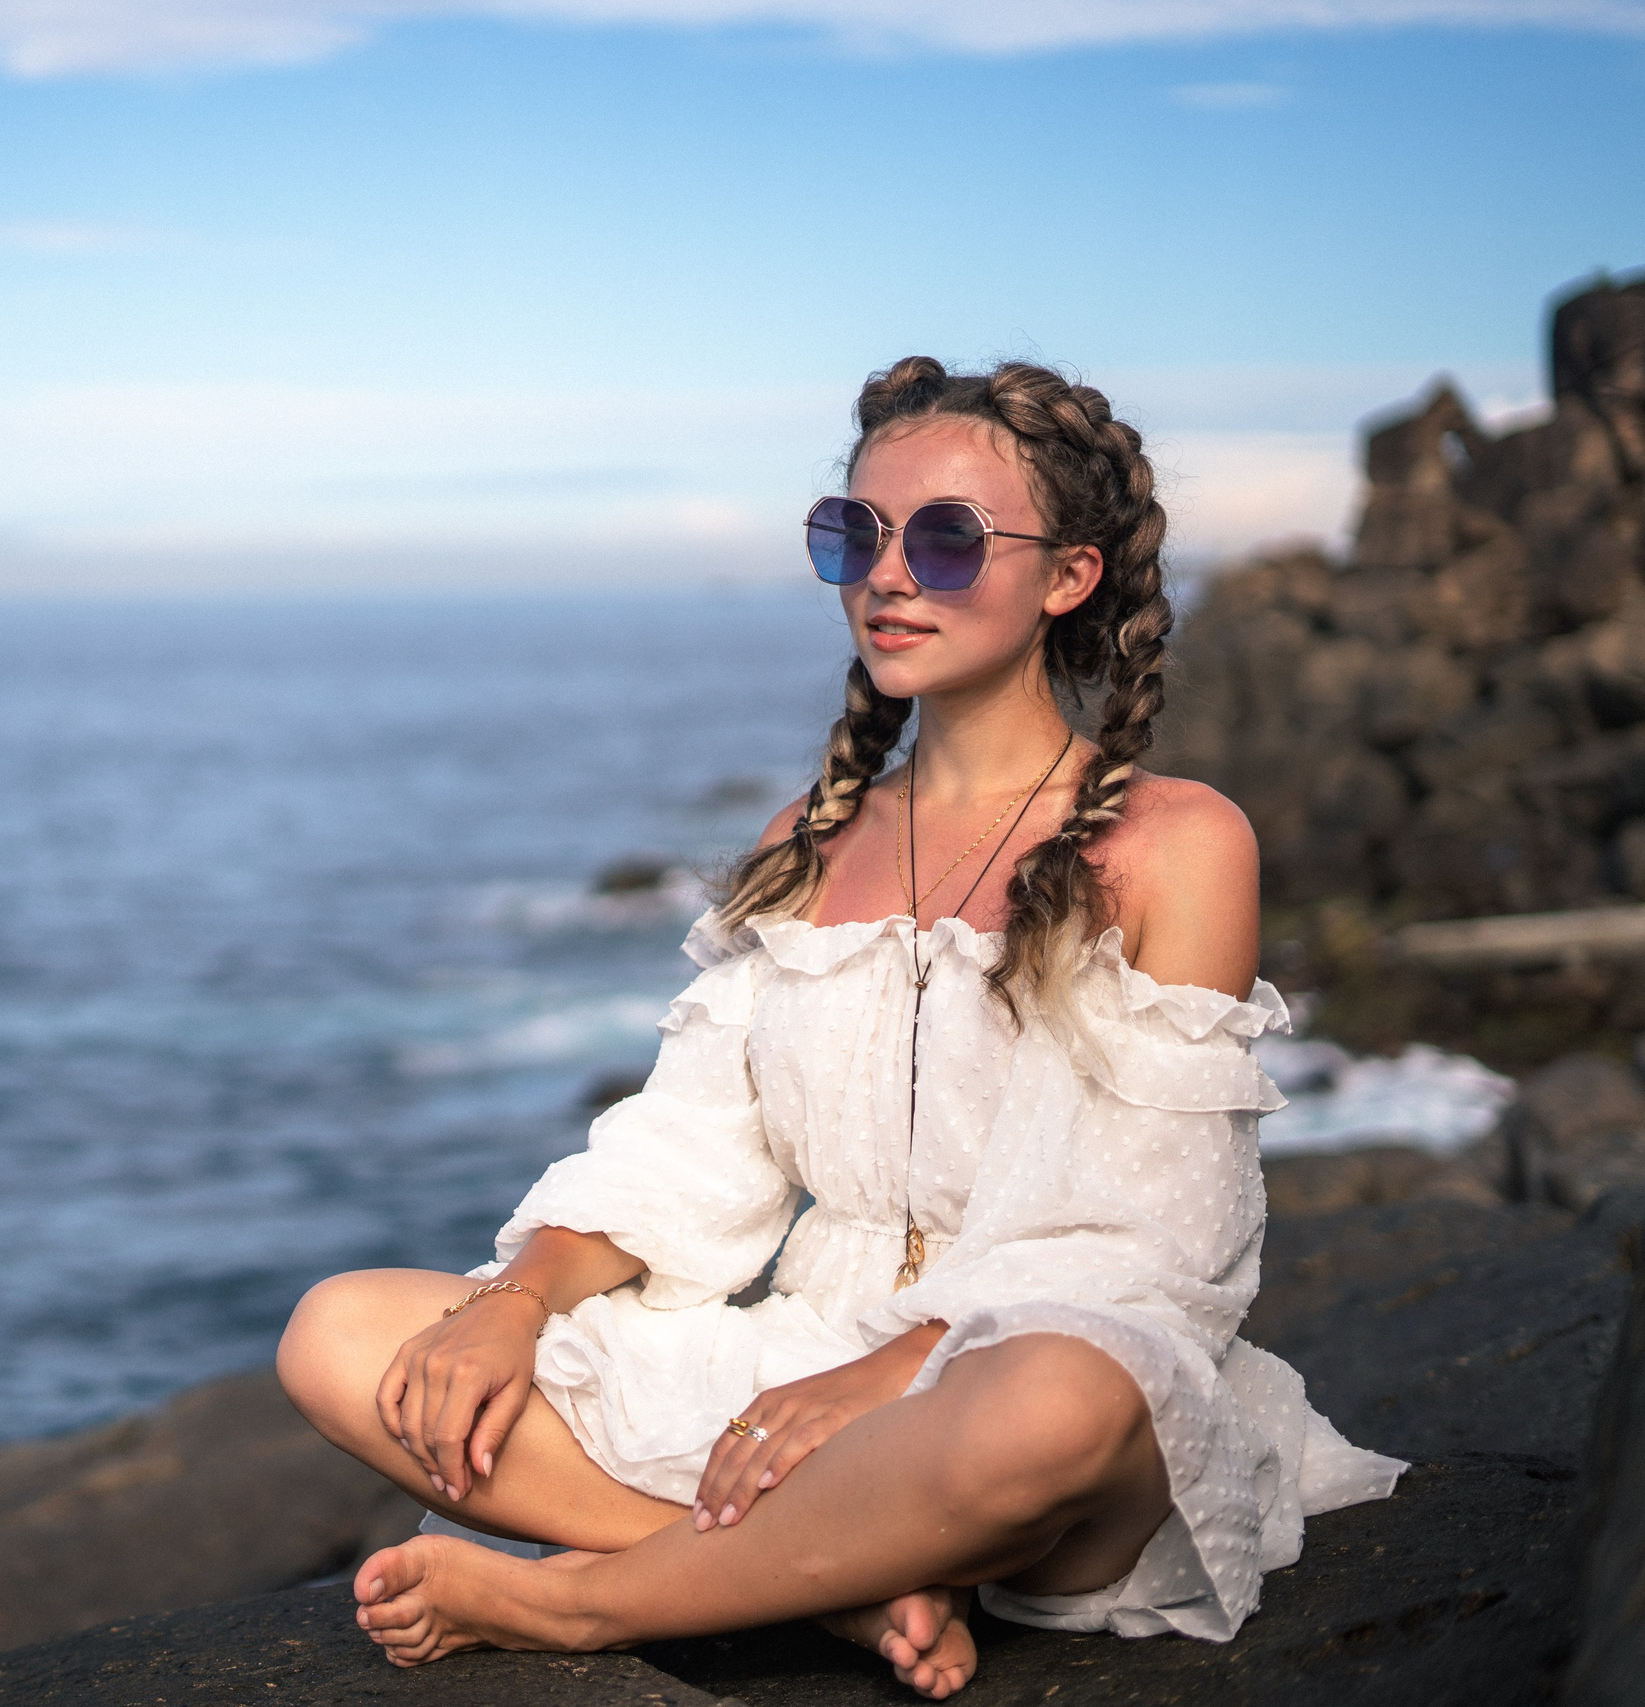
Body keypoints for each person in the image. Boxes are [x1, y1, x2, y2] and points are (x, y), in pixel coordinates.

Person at [274, 358, 1404, 1699]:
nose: (889, 577)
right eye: (854, 535)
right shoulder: (805, 846)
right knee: (343, 1335)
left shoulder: (1180, 842)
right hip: (801, 1360)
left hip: (1021, 1370)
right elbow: (686, 1152)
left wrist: (892, 1377)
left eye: (948, 539)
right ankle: (840, 1585)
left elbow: (1155, 1238)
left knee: (1061, 1400)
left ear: (1069, 577)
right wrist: (509, 1306)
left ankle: (584, 1602)